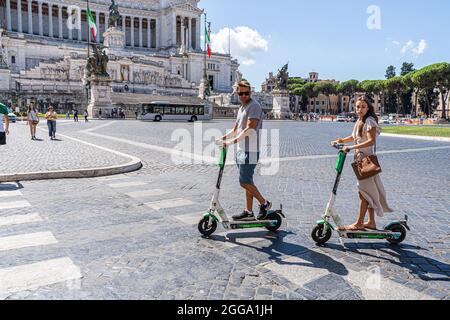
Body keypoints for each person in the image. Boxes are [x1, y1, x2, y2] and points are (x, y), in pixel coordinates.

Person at [331, 97, 393, 231]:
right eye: (358, 106)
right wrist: (339, 140)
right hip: (360, 160)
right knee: (368, 192)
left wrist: (352, 147)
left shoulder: (369, 121)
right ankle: (371, 222)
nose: (360, 109)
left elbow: (370, 141)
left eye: (363, 107)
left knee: (364, 192)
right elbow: (354, 137)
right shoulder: (360, 121)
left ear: (368, 108)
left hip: (366, 161)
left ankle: (359, 223)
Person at [217, 80, 272, 221]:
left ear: (250, 92)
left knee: (244, 181)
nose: (243, 96)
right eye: (241, 93)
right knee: (248, 181)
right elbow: (236, 129)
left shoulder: (254, 106)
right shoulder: (242, 108)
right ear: (237, 93)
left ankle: (264, 203)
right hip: (241, 150)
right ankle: (248, 211)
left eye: (246, 93)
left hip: (251, 151)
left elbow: (249, 129)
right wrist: (223, 138)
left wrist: (230, 141)